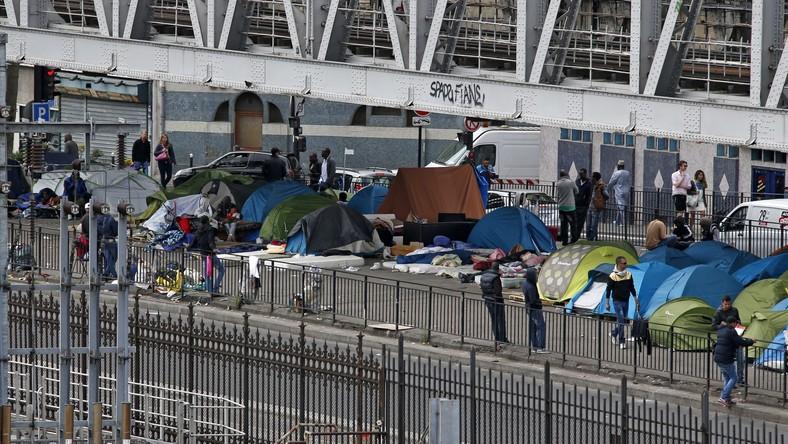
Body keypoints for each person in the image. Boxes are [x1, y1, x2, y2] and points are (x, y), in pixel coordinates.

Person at [714, 315, 755, 407]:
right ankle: (723, 397)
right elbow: (740, 342)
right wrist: (751, 341)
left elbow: (731, 341)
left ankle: (726, 398)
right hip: (726, 358)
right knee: (734, 378)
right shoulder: (732, 331)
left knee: (727, 378)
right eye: (736, 323)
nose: (736, 325)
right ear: (733, 323)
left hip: (718, 357)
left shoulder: (721, 329)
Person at [604, 256, 639, 348]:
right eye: (623, 263)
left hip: (626, 300)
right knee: (621, 321)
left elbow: (632, 287)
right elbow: (608, 290)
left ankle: (613, 333)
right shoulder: (612, 276)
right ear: (618, 264)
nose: (625, 265)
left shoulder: (628, 274)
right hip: (617, 301)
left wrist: (635, 298)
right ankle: (621, 341)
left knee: (623, 321)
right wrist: (607, 303)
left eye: (626, 263)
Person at [189, 215, 225, 296]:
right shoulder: (210, 229)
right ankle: (215, 289)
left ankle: (210, 291)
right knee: (221, 270)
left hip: (204, 255)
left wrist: (188, 248)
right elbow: (210, 241)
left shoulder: (198, 231)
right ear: (207, 221)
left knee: (208, 274)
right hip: (211, 254)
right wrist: (214, 248)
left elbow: (193, 242)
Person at [712, 296, 745, 382]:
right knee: (726, 361)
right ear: (722, 303)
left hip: (736, 336)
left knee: (741, 359)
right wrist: (721, 325)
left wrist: (740, 330)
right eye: (725, 304)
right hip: (725, 340)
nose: (727, 306)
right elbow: (713, 326)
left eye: (729, 304)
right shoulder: (718, 313)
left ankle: (740, 378)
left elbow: (739, 321)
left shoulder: (734, 310)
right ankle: (728, 380)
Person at [479, 263, 508, 345]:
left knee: (494, 320)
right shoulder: (495, 277)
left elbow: (482, 286)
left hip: (487, 299)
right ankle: (502, 339)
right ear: (497, 269)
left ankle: (496, 338)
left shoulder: (484, 275)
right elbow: (498, 290)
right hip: (496, 301)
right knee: (500, 320)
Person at [522, 268, 547, 353]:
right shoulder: (531, 286)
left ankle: (535, 346)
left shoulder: (526, 283)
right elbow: (533, 300)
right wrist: (539, 302)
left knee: (533, 327)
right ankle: (540, 346)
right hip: (535, 309)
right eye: (536, 275)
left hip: (529, 308)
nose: (537, 277)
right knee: (540, 327)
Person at [556, 170, 578, 245]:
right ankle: (573, 239)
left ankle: (564, 241)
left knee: (563, 224)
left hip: (562, 207)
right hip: (570, 207)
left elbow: (558, 194)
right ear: (567, 174)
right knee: (573, 224)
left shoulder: (558, 183)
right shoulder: (571, 182)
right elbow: (577, 191)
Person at [608, 160, 631, 225]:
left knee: (621, 207)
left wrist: (607, 189)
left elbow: (611, 182)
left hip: (619, 191)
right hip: (626, 191)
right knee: (620, 206)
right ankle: (617, 221)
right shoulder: (627, 173)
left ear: (618, 166)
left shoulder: (617, 173)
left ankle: (624, 223)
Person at [587, 172, 608, 241]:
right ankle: (589, 238)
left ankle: (590, 239)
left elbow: (607, 196)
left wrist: (601, 193)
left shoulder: (601, 185)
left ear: (595, 178)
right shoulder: (592, 185)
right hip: (590, 207)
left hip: (596, 209)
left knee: (593, 226)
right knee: (588, 226)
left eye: (592, 176)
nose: (591, 178)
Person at [97, 212, 118, 278]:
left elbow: (97, 228)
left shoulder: (98, 218)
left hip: (102, 239)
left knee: (107, 258)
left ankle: (107, 273)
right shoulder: (111, 218)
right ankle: (112, 274)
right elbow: (115, 231)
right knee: (113, 258)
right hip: (111, 239)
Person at [574, 168, 592, 242]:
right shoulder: (577, 181)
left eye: (582, 174)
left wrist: (586, 204)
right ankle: (574, 236)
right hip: (576, 205)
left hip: (583, 206)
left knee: (580, 223)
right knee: (575, 222)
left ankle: (576, 237)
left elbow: (589, 195)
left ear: (585, 173)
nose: (580, 175)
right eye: (579, 174)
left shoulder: (589, 183)